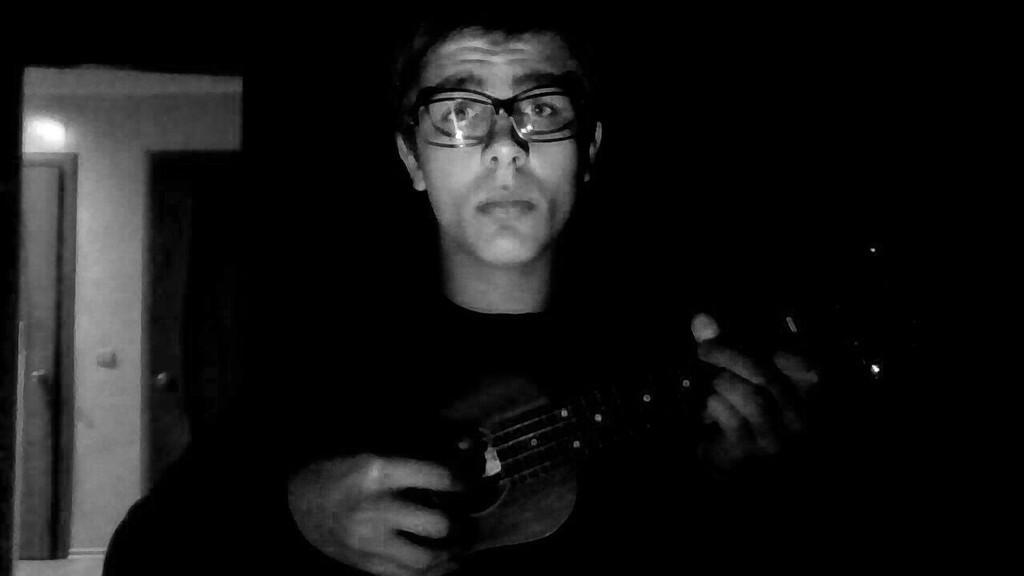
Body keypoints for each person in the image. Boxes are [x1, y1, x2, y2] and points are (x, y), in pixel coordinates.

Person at [104, 13, 839, 576]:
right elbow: (141, 557)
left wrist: (745, 488)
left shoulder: (668, 363)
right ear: (412, 158)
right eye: (459, 111)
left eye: (541, 109)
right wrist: (296, 516)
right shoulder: (323, 365)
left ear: (588, 152)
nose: (505, 146)